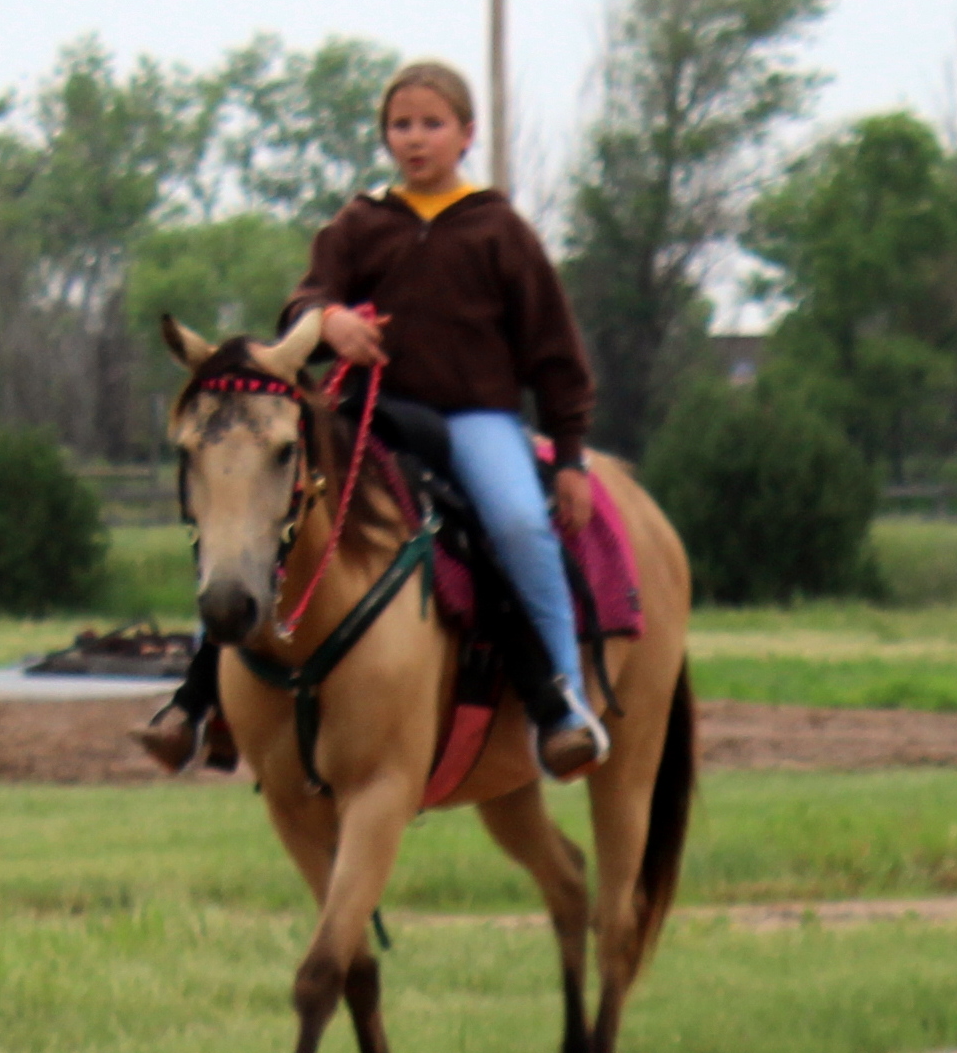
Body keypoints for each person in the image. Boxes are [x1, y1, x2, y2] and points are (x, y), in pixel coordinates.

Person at [137, 60, 610, 783]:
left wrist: (569, 452)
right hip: (366, 411)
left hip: (472, 418)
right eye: (401, 124)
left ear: (465, 134)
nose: (415, 139)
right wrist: (330, 322)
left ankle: (562, 705)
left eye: (432, 124)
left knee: (516, 524)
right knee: (257, 517)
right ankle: (197, 702)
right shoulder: (360, 222)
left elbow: (553, 350)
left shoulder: (499, 229)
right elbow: (305, 302)